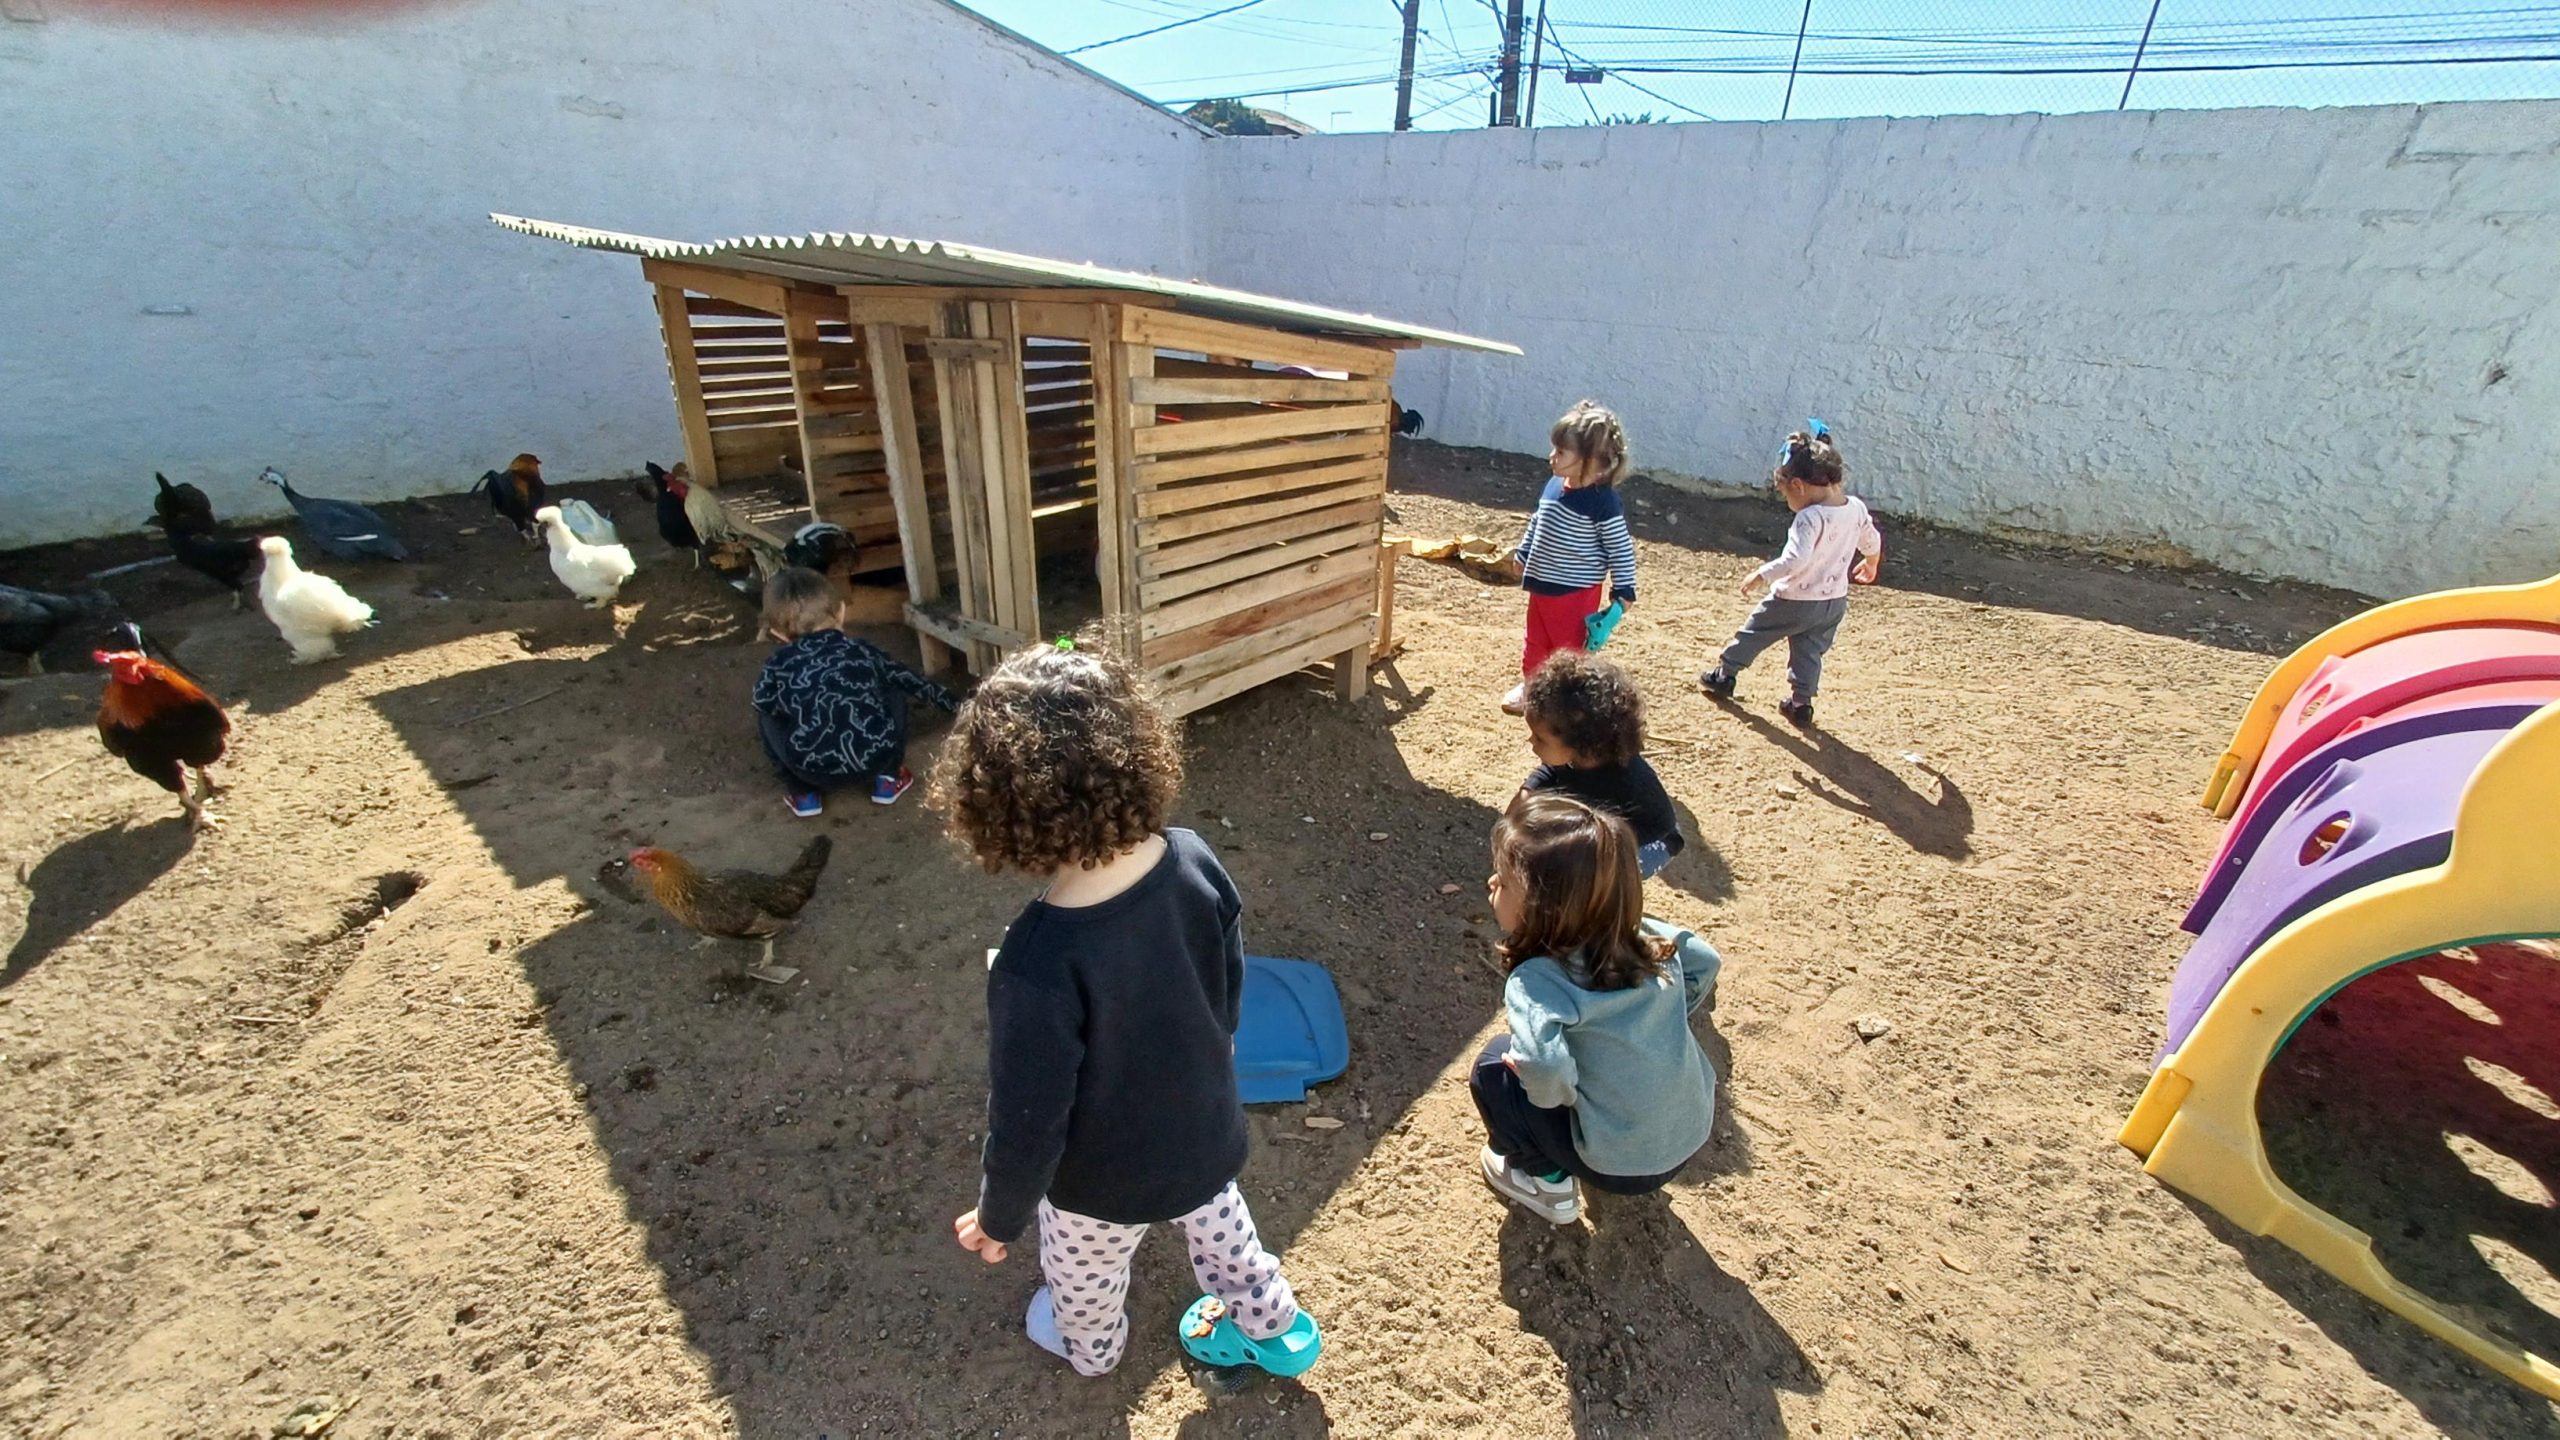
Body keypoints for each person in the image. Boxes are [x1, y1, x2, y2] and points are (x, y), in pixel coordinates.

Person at [938, 635, 1322, 1380]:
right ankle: (1276, 1329)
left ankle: (1092, 1347)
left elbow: (1027, 1121)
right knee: (1229, 1240)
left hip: (1099, 1185)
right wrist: (1219, 1048)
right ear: (1136, 752)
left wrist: (998, 1217)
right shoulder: (1193, 858)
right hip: (1206, 1132)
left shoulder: (1036, 962)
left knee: (1082, 1276)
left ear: (1001, 806)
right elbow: (1227, 975)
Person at [1472, 793, 1721, 1225]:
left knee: (1494, 1066)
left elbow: (1544, 1068)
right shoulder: (1648, 939)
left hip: (1618, 1165)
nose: (1492, 883)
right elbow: (1705, 960)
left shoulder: (1537, 980)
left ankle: (1547, 1183)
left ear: (1544, 908)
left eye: (1505, 882)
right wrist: (1664, 1020)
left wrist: (1560, 1098)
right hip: (1690, 1131)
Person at [1699, 426, 1882, 728]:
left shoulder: (1809, 518)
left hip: (1794, 599)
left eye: (1785, 494)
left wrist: (1762, 574)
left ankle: (1725, 674)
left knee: (1755, 632)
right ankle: (1801, 704)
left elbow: (1796, 560)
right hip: (1833, 602)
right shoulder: (1856, 508)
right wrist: (1871, 561)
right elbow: (1871, 539)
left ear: (1797, 485)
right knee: (1809, 651)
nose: (1788, 501)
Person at [751, 566, 956, 816]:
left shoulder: (777, 663)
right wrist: (958, 705)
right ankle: (888, 780)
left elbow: (761, 702)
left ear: (777, 633)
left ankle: (803, 794)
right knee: (893, 685)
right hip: (875, 760)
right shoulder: (862, 650)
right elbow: (913, 682)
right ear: (841, 611)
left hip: (810, 771)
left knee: (766, 714)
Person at [1505, 400, 1637, 714]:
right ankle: (1532, 687)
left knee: (1569, 652)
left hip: (1575, 594)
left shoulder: (1603, 502)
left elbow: (1620, 548)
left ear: (1591, 460)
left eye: (1561, 452)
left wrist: (1624, 590)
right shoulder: (1553, 486)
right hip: (1541, 585)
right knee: (1536, 642)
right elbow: (1538, 521)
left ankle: (1566, 702)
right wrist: (1524, 551)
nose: (1552, 456)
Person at [1514, 651, 1685, 879]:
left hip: (1651, 843)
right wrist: (1527, 794)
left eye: (1539, 738)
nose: (1531, 741)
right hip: (1603, 824)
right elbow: (1548, 773)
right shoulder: (1578, 755)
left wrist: (1594, 845)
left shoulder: (1627, 779)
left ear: (1578, 741)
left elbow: (1660, 825)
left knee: (1584, 870)